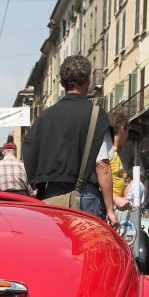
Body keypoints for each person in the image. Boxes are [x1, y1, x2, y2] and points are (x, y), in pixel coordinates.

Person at [22, 55, 118, 224]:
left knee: (55, 249)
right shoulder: (96, 116)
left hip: (51, 197)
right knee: (86, 249)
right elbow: (102, 165)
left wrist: (38, 183)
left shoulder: (46, 117)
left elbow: (29, 148)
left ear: (62, 84)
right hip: (85, 197)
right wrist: (110, 209)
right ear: (87, 82)